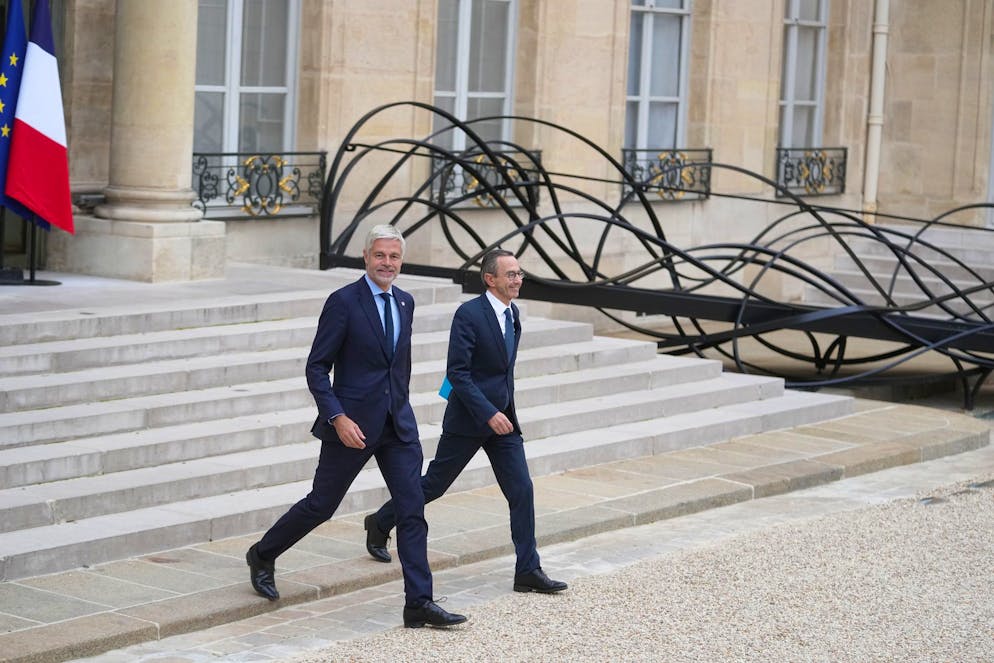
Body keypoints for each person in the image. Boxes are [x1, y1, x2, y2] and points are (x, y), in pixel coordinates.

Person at [246, 224, 467, 629]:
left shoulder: (405, 302)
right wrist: (337, 416)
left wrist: (403, 409)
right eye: (380, 255)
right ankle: (262, 553)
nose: (387, 263)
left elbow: (398, 366)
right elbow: (316, 367)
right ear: (366, 257)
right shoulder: (344, 302)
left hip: (397, 427)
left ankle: (419, 602)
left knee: (412, 510)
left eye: (394, 257)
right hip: (352, 425)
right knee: (321, 506)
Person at [364, 249, 568, 594]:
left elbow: (503, 372)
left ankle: (528, 569)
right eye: (511, 275)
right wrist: (488, 412)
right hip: (470, 420)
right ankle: (380, 521)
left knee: (522, 489)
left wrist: (505, 412)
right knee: (433, 485)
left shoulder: (513, 314)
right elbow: (457, 373)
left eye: (520, 274)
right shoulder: (469, 314)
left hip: (504, 422)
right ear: (491, 279)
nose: (518, 281)